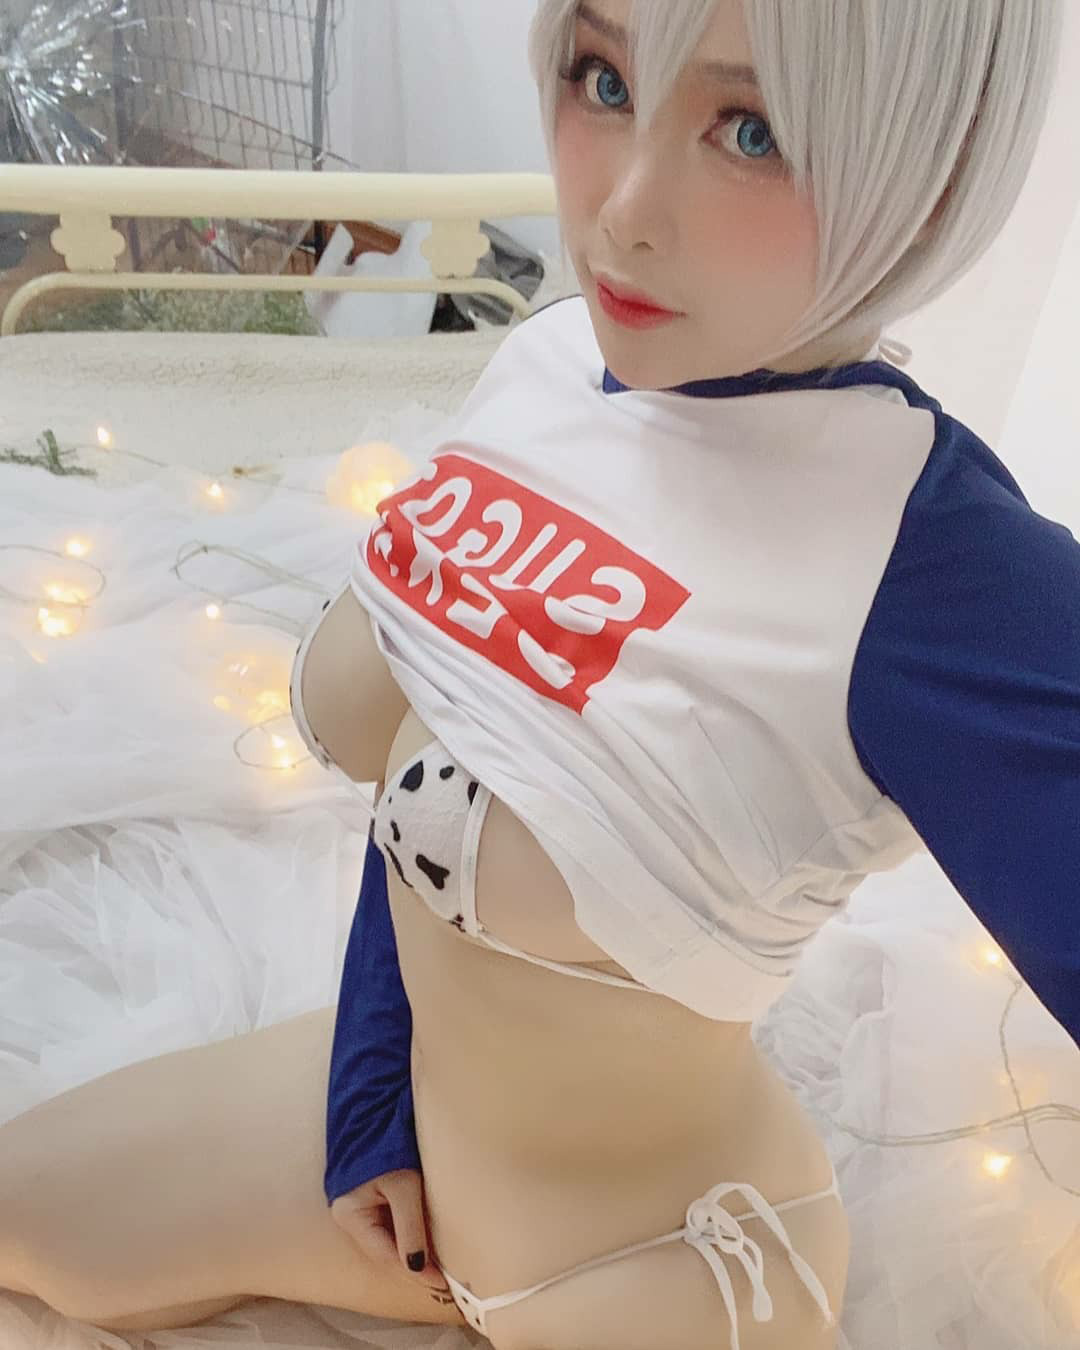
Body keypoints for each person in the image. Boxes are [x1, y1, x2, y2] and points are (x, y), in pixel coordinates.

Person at [1, 2, 1075, 1348]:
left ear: (931, 164)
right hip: (408, 1164)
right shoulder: (554, 358)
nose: (622, 212)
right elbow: (436, 759)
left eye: (751, 130)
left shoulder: (930, 570)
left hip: (673, 1267)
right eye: (603, 78)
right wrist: (368, 1107)